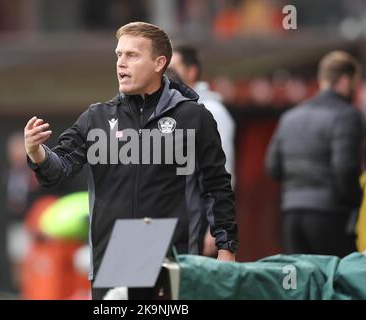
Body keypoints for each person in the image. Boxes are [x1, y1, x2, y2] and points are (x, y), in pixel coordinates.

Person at [25, 22, 238, 299]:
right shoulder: (96, 118)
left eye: (132, 55)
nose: (120, 63)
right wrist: (36, 153)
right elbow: (58, 170)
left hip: (175, 256)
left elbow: (218, 187)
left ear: (159, 63)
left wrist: (227, 249)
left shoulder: (194, 117)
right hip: (113, 257)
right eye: (118, 55)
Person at [266, 51, 364, 257]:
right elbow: (345, 169)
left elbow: (272, 167)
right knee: (341, 281)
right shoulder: (346, 115)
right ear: (346, 80)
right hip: (330, 216)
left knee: (303, 283)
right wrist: (356, 200)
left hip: (291, 217)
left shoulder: (290, 117)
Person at [169, 44, 236, 257]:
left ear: (191, 71)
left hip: (201, 215)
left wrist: (215, 228)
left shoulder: (212, 111)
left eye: (173, 67)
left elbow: (223, 173)